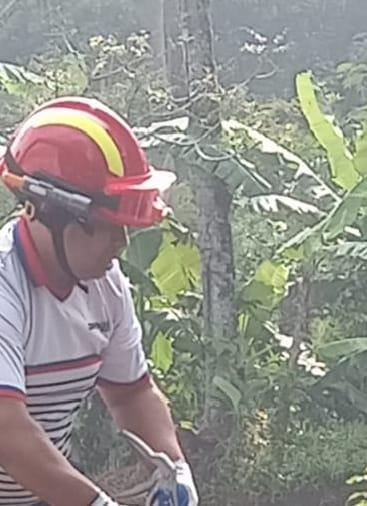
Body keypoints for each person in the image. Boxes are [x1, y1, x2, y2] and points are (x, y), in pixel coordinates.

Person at [0, 97, 199, 506]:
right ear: (52, 213)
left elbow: (131, 393)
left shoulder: (106, 284)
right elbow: (6, 430)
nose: (122, 244)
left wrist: (175, 468)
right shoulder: (5, 284)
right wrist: (94, 503)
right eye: (109, 228)